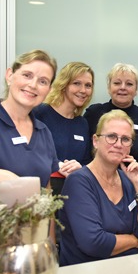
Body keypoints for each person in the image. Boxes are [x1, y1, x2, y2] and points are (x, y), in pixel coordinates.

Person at [59, 110, 138, 266]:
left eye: (125, 139)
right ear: (95, 141)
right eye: (111, 137)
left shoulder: (129, 180)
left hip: (127, 271)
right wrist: (134, 240)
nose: (118, 144)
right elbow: (93, 242)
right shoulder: (79, 181)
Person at [0, 49, 59, 186]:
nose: (33, 85)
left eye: (43, 81)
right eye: (27, 75)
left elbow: (46, 186)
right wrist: (6, 176)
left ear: (49, 90)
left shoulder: (43, 132)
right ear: (9, 75)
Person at [34, 61, 94, 194]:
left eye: (88, 85)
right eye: (76, 83)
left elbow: (87, 161)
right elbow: (26, 152)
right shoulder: (39, 113)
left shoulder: (82, 123)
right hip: (42, 192)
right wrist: (56, 165)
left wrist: (80, 167)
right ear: (64, 85)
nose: (83, 90)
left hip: (74, 191)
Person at [84, 63, 138, 165]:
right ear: (109, 87)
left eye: (129, 84)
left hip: (132, 178)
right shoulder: (93, 113)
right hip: (95, 178)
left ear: (136, 90)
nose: (123, 87)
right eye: (117, 83)